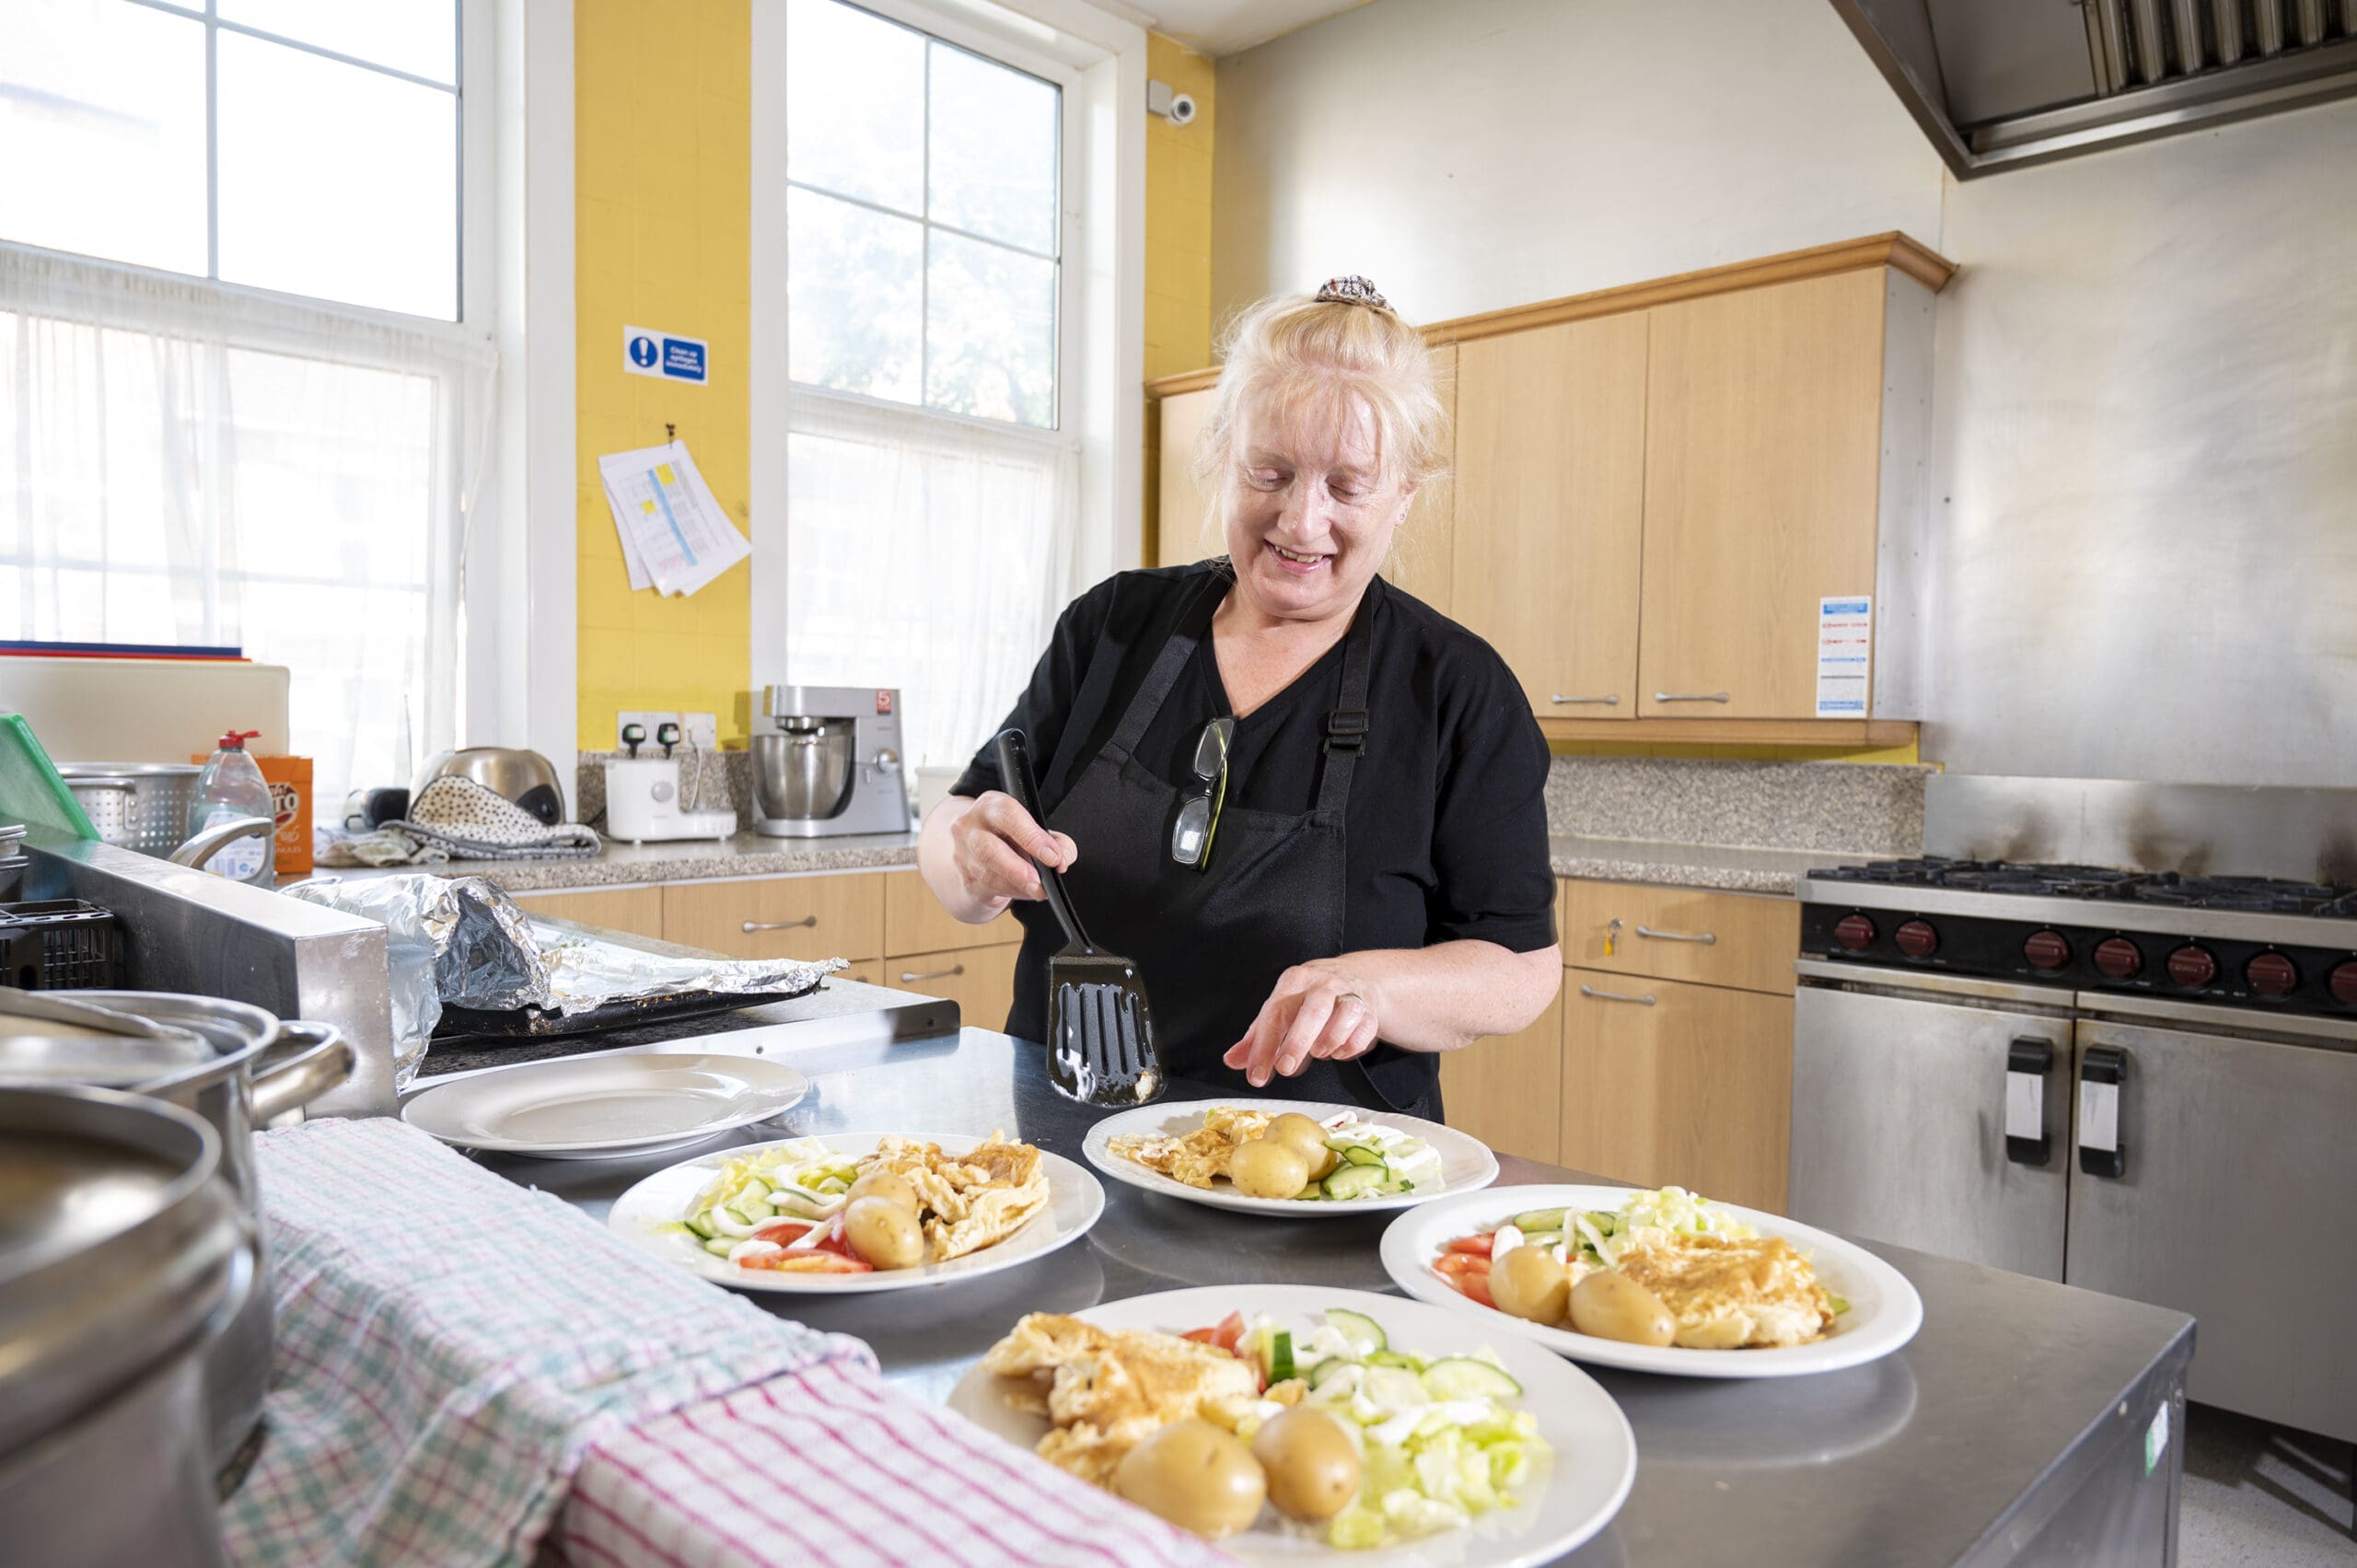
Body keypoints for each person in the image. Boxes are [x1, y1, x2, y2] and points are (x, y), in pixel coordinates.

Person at [918, 275, 1560, 1119]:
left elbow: (1519, 969)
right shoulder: (1112, 627)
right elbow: (962, 823)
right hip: (1061, 1149)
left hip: (1317, 1176)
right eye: (1271, 470)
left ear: (1403, 494)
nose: (1300, 521)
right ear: (1224, 455)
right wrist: (966, 859)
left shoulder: (1454, 688)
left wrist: (1371, 984)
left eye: (1347, 485)